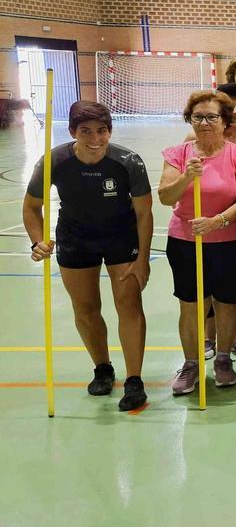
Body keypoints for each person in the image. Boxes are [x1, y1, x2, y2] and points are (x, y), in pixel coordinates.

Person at [23, 101, 152, 412]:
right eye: (86, 131)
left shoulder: (128, 161)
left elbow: (144, 213)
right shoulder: (54, 161)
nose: (95, 138)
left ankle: (134, 380)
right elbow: (30, 207)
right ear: (72, 132)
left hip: (121, 238)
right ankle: (103, 369)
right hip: (75, 238)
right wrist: (37, 241)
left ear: (110, 131)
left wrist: (143, 258)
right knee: (85, 307)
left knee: (129, 304)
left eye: (102, 131)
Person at [158, 90, 236, 394]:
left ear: (224, 121)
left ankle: (223, 360)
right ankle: (190, 363)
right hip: (186, 241)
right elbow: (164, 197)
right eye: (197, 116)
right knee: (191, 305)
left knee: (227, 304)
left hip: (228, 240)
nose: (204, 122)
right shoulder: (178, 154)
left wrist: (218, 221)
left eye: (211, 116)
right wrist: (187, 177)